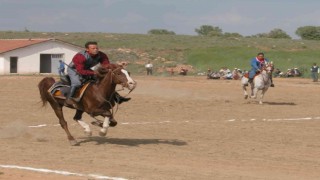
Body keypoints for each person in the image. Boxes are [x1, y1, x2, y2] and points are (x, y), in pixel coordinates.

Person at [65, 41, 131, 106]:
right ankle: (69, 98)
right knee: (77, 83)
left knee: (104, 82)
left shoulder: (101, 55)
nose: (96, 50)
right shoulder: (80, 56)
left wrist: (118, 65)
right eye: (93, 48)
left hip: (86, 69)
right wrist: (94, 73)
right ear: (87, 49)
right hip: (74, 70)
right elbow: (81, 71)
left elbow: (106, 65)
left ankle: (117, 98)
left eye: (97, 48)